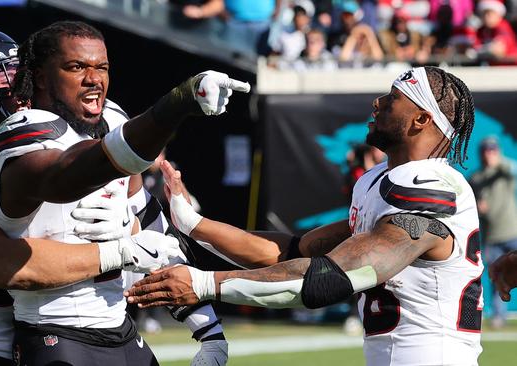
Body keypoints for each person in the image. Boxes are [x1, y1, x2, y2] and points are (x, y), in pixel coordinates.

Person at [127, 66, 483, 365]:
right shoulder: (379, 182)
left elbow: (330, 277)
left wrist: (205, 284)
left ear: (421, 118)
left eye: (393, 98)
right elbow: (296, 253)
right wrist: (193, 224)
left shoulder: (430, 190)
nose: (378, 102)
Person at [0, 27, 183, 366]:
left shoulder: (35, 147)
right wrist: (120, 251)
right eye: (5, 76)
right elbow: (6, 265)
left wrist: (129, 228)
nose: (19, 83)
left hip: (37, 342)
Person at [0, 20, 248, 365]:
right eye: (76, 67)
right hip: (56, 331)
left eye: (102, 67)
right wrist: (176, 104)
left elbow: (153, 231)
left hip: (121, 330)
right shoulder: (23, 130)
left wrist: (209, 331)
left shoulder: (112, 119)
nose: (93, 79)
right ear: (39, 77)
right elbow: (70, 174)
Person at [469, 136, 517, 329]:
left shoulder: (504, 170)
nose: (489, 154)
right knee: (497, 277)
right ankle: (499, 316)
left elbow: (514, 168)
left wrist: (499, 162)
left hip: (512, 232)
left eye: (493, 150)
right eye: (486, 150)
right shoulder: (475, 178)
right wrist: (477, 206)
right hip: (490, 237)